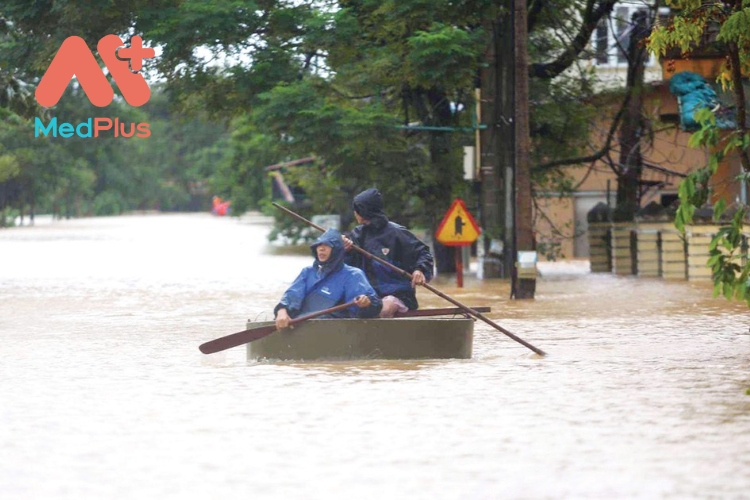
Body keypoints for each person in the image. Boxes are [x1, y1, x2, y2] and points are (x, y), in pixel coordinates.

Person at [343, 188, 434, 317]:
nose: (354, 213)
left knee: (384, 309)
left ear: (363, 211)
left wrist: (419, 270)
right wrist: (345, 251)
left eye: (356, 210)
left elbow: (423, 253)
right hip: (366, 295)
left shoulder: (398, 233)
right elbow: (346, 267)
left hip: (397, 294)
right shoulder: (356, 235)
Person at [274, 228, 382, 330]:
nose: (321, 248)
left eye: (327, 245)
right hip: (299, 324)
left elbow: (372, 307)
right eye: (318, 245)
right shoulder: (307, 272)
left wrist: (366, 303)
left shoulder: (353, 275)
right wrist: (282, 310)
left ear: (336, 250)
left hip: (333, 329)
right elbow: (292, 295)